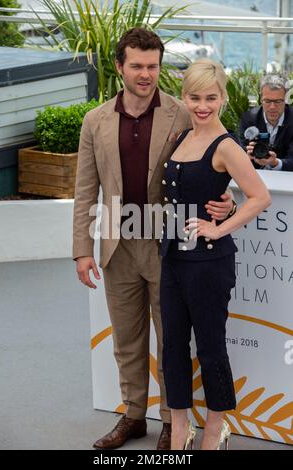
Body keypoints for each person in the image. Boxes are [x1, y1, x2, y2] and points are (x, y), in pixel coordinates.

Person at [73, 28, 235, 450]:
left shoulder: (184, 112)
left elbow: (219, 161)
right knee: (127, 340)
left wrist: (228, 205)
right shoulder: (95, 121)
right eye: (137, 66)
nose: (146, 74)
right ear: (119, 67)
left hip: (168, 245)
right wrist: (81, 251)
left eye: (153, 66)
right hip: (116, 244)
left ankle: (171, 421)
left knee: (171, 338)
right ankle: (132, 415)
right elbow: (84, 190)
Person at [160, 59, 271, 450]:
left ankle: (213, 430)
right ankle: (178, 430)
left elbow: (260, 197)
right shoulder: (181, 138)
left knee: (210, 347)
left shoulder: (226, 145)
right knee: (173, 345)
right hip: (172, 256)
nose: (202, 105)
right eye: (194, 97)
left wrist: (219, 227)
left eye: (210, 97)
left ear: (222, 98)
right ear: (184, 98)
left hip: (209, 262)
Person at [239, 74, 293, 171]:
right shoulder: (248, 119)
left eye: (278, 101)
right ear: (261, 99)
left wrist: (275, 163)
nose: (272, 107)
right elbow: (239, 151)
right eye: (267, 101)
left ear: (286, 100)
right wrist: (247, 154)